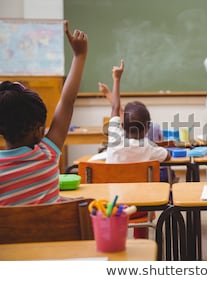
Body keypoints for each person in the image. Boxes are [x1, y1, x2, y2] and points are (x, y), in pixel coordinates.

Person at [0, 21, 88, 205]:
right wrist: (79, 56)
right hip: (57, 235)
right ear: (39, 131)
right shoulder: (47, 155)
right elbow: (67, 101)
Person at [105, 59, 171, 239]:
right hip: (142, 208)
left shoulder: (114, 138)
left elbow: (114, 107)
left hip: (113, 206)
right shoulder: (149, 149)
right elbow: (168, 156)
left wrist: (116, 79)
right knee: (142, 197)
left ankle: (113, 242)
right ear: (148, 128)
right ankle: (141, 243)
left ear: (121, 125)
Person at [98, 82, 162, 142]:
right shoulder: (155, 127)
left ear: (123, 124)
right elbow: (161, 143)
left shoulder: (120, 141)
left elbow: (117, 109)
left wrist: (107, 92)